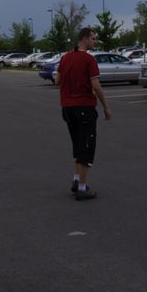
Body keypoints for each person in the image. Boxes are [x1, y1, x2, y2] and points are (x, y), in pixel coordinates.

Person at [54, 27, 111, 201]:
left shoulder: (65, 58)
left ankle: (76, 180)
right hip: (84, 108)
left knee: (78, 145)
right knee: (87, 147)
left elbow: (57, 80)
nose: (95, 42)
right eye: (93, 39)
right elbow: (96, 86)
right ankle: (82, 188)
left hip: (68, 109)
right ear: (85, 39)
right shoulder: (88, 59)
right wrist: (106, 107)